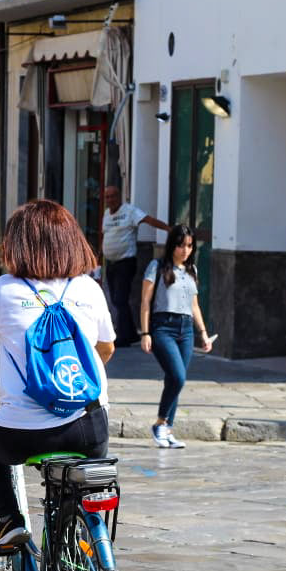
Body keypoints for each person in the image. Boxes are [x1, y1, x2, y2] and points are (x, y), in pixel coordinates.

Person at [0, 200, 115, 552]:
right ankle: (81, 552)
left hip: (23, 434)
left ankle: (11, 520)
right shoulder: (89, 288)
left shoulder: (3, 290)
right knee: (81, 489)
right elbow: (104, 350)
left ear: (18, 244)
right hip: (91, 426)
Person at [139, 224, 213, 449]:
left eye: (189, 246)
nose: (185, 250)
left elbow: (195, 306)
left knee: (175, 380)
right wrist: (145, 332)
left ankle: (167, 430)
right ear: (172, 245)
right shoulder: (157, 266)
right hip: (163, 328)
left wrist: (203, 333)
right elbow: (145, 302)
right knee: (178, 377)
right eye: (181, 245)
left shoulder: (192, 270)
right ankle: (160, 424)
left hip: (186, 329)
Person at [98, 184, 170, 346]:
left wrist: (168, 229)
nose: (110, 199)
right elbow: (106, 237)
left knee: (120, 298)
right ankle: (130, 333)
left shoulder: (130, 211)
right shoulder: (106, 215)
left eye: (113, 196)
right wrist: (98, 255)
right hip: (111, 263)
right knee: (118, 301)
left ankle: (124, 337)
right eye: (107, 197)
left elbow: (148, 219)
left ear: (119, 197)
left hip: (126, 263)